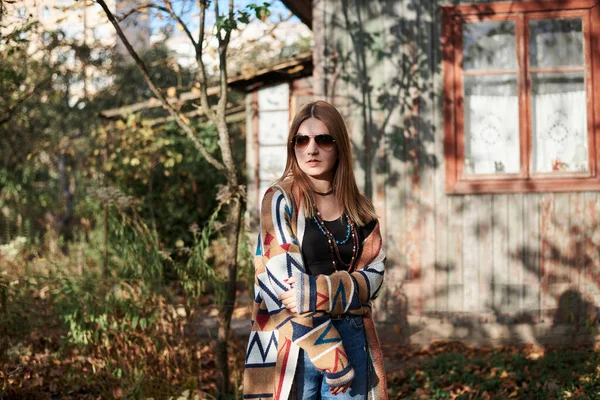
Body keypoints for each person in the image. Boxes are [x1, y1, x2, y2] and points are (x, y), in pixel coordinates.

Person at [243, 101, 388, 400]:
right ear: (292, 146)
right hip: (297, 341)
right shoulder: (280, 199)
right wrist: (330, 356)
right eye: (301, 140)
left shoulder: (360, 209)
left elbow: (374, 276)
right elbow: (283, 285)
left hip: (353, 332)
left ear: (339, 147)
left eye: (323, 139)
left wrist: (318, 290)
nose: (311, 149)